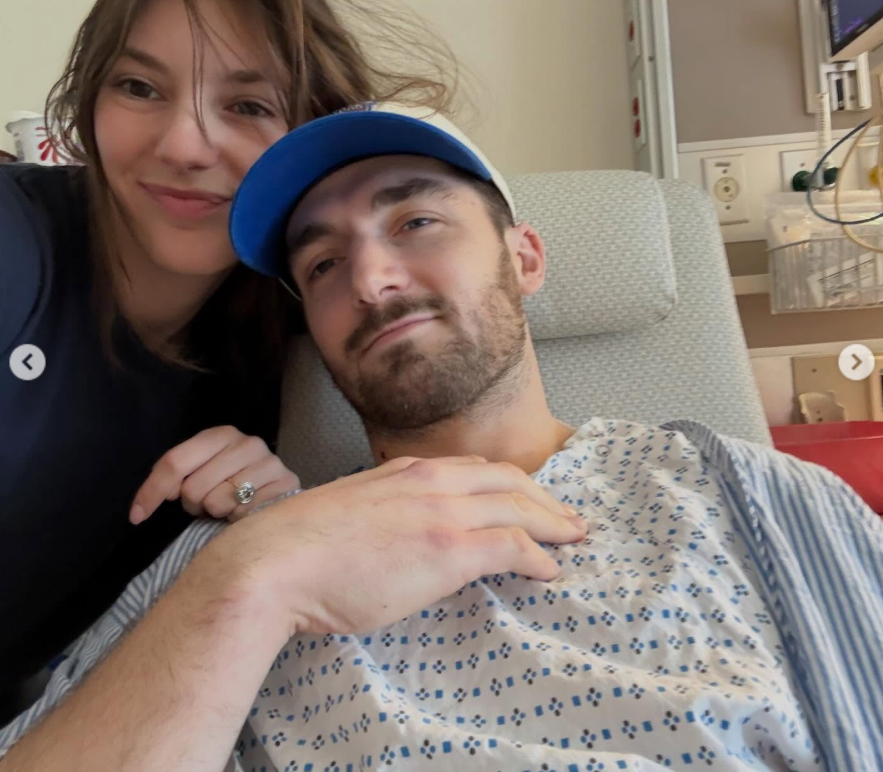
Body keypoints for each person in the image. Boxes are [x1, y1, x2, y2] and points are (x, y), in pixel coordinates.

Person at [5, 104, 882, 772]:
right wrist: (252, 581)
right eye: (321, 265)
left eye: (415, 223)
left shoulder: (746, 495)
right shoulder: (237, 560)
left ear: (525, 257)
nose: (373, 279)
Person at [0, 0, 583, 758]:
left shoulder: (284, 330)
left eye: (247, 105)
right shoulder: (17, 245)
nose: (182, 144)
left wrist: (261, 510)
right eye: (139, 88)